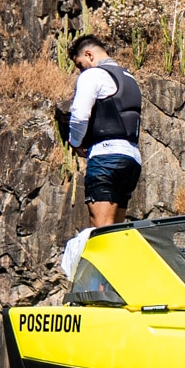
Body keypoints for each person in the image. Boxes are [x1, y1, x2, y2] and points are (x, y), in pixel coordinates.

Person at [66, 36, 142, 228]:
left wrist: (75, 142)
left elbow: (80, 115)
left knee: (101, 228)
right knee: (116, 228)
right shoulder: (128, 77)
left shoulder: (93, 75)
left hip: (106, 157)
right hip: (131, 159)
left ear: (89, 55)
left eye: (80, 64)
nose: (80, 70)